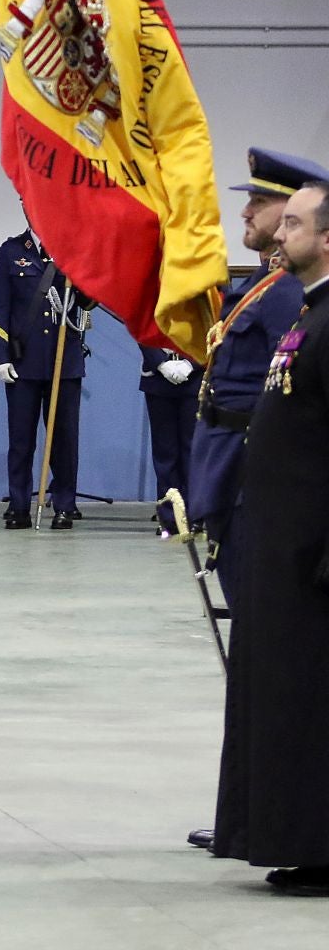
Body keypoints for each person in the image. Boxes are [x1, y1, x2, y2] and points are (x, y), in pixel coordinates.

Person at [212, 179, 329, 894]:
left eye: (294, 224)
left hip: (312, 554)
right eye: (279, 223)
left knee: (310, 703)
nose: (278, 234)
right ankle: (288, 838)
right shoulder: (307, 316)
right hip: (280, 544)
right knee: (278, 698)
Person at [185, 149, 317, 614]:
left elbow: (290, 392)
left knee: (259, 615)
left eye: (259, 201)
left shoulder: (287, 292)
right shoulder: (263, 281)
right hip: (227, 467)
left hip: (248, 471)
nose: (245, 210)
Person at [0, 214, 93, 529]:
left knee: (64, 439)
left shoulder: (72, 249)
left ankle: (64, 504)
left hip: (65, 361)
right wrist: (0, 357)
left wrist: (80, 267)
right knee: (21, 440)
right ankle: (18, 505)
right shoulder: (10, 252)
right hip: (24, 362)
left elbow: (88, 303)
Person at [138, 344, 199, 537]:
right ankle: (169, 517)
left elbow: (208, 326)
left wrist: (192, 363)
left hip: (195, 377)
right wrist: (160, 363)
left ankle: (193, 515)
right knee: (165, 453)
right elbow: (143, 329)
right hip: (157, 378)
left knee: (193, 452)